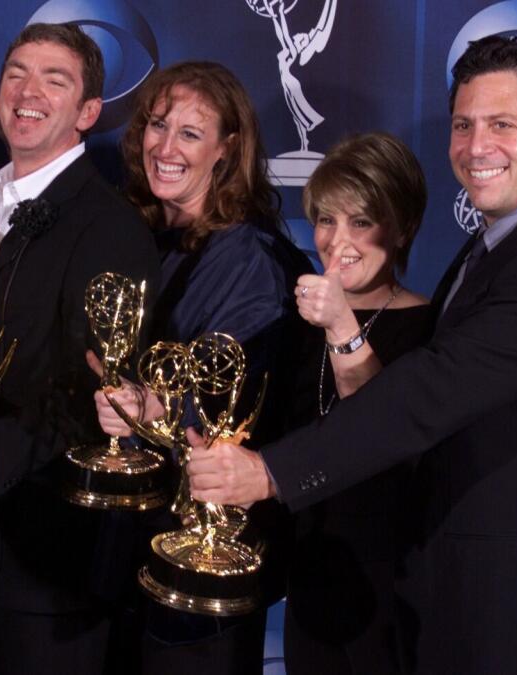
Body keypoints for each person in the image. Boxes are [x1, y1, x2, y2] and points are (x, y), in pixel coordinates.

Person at [185, 35, 517, 675]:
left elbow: (431, 388)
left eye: (502, 125)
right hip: (465, 594)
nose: (476, 146)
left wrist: (269, 473)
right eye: (464, 125)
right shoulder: (496, 247)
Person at [0, 22, 159, 674]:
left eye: (54, 81)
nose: (28, 93)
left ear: (87, 113)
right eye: (16, 75)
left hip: (53, 563)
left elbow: (98, 392)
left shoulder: (110, 227)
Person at [92, 60, 311, 675]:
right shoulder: (144, 235)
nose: (166, 147)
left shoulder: (249, 256)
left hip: (197, 566)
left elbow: (230, 395)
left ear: (228, 148)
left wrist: (152, 406)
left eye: (191, 133)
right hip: (129, 553)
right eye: (158, 126)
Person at [283, 132, 431, 674]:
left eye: (361, 221)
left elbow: (382, 433)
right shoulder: (296, 326)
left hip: (391, 587)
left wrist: (341, 324)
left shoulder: (430, 328)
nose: (337, 240)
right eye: (326, 219)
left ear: (401, 227)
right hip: (311, 579)